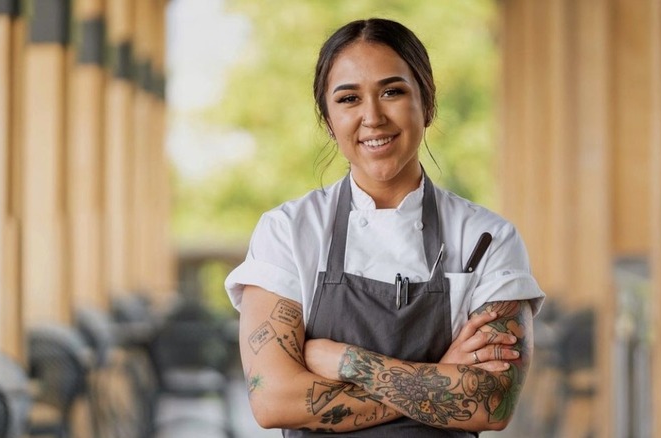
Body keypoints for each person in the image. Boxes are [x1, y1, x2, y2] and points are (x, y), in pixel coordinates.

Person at [224, 18, 545, 437]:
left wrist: (346, 362)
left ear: (426, 103)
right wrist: (442, 379)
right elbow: (273, 401)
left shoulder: (487, 239)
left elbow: (493, 402)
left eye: (392, 92)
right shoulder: (288, 232)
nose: (372, 117)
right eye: (348, 99)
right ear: (328, 119)